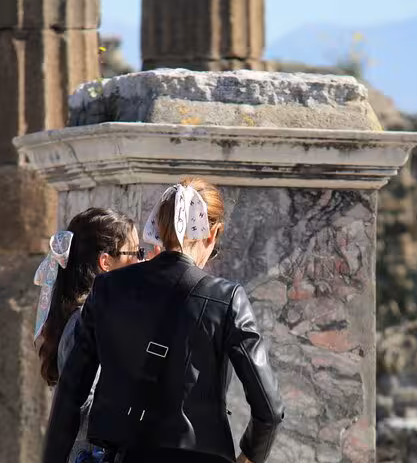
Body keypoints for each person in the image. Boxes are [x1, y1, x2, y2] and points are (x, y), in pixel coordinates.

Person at [43, 177, 284, 463]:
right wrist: (250, 456)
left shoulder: (107, 288)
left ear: (159, 227)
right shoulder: (227, 298)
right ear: (212, 233)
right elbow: (269, 409)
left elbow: (70, 397)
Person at [34, 207, 145, 463]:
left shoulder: (89, 317)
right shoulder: (84, 322)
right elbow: (84, 405)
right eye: (136, 253)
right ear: (106, 262)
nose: (142, 261)